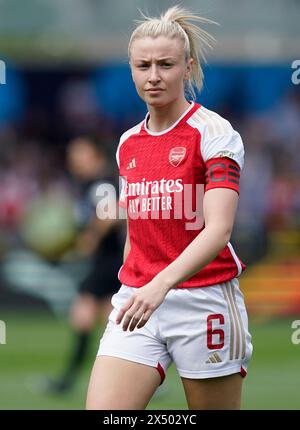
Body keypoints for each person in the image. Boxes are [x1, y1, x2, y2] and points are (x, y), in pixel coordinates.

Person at [86, 5, 253, 410]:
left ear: (188, 66)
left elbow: (219, 230)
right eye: (143, 65)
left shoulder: (213, 133)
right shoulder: (128, 143)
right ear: (131, 69)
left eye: (166, 64)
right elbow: (137, 229)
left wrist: (161, 284)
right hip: (138, 300)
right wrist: (137, 284)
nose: (154, 75)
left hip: (205, 300)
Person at [46, 136, 123, 393]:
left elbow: (110, 214)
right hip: (108, 262)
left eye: (79, 153)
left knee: (83, 314)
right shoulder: (91, 183)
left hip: (109, 261)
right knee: (111, 322)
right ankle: (140, 376)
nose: (73, 159)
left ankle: (67, 381)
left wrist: (91, 237)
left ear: (96, 156)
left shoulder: (100, 183)